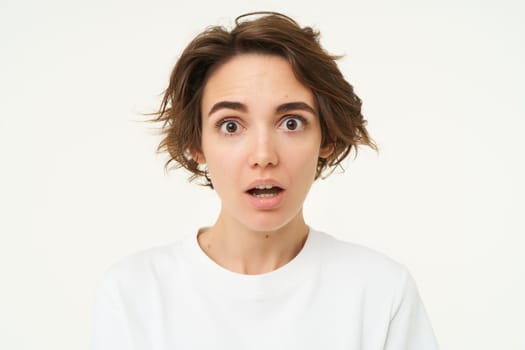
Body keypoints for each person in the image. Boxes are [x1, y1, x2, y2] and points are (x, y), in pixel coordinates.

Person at [92, 12, 439, 350]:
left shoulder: (381, 292)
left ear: (326, 137)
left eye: (291, 123)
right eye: (231, 125)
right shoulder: (134, 294)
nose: (263, 155)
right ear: (197, 144)